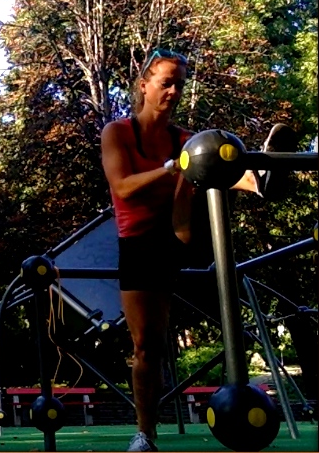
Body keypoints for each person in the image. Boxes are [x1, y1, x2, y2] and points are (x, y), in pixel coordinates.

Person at [100, 49, 297, 452]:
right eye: (166, 83)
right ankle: (145, 433)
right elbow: (122, 187)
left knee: (212, 156)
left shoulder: (185, 140)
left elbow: (201, 165)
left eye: (179, 85)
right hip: (140, 244)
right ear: (144, 86)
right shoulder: (118, 133)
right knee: (147, 345)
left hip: (183, 234)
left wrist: (197, 163)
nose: (173, 92)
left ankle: (259, 178)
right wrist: (174, 166)